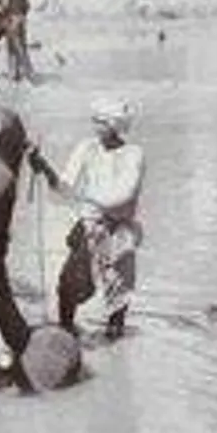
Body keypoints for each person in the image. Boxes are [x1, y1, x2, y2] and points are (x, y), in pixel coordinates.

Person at [28, 96, 146, 342]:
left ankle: (115, 339)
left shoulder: (134, 154)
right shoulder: (86, 148)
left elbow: (123, 196)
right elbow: (64, 186)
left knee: (118, 290)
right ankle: (66, 331)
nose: (95, 126)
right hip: (89, 226)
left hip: (118, 230)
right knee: (69, 285)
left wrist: (80, 195)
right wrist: (45, 168)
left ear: (114, 126)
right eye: (95, 121)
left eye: (100, 121)